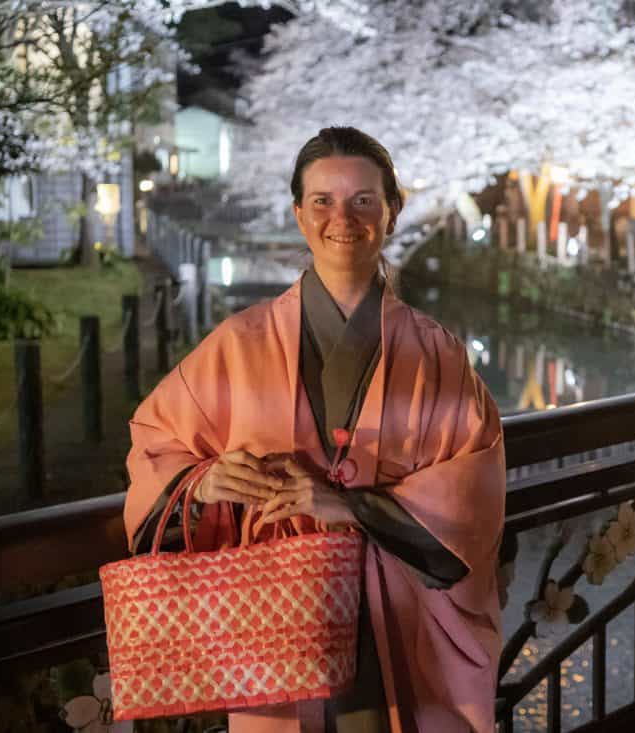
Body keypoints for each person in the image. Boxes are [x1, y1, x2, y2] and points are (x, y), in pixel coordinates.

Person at [123, 127, 506, 733]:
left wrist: (351, 506)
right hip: (273, 613)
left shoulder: (438, 355)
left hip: (396, 613)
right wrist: (202, 481)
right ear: (298, 213)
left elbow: (474, 486)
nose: (342, 219)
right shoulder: (237, 344)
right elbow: (157, 440)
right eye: (322, 201)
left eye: (363, 200)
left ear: (392, 209)